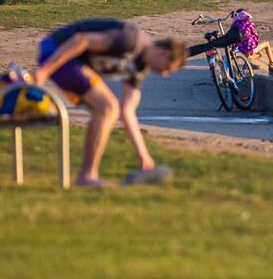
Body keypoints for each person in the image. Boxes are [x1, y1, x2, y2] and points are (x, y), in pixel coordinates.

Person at [28, 18, 189, 188]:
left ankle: (87, 175)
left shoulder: (140, 68)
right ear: (163, 54)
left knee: (106, 110)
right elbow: (81, 40)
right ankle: (87, 176)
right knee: (107, 108)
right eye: (167, 69)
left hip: (71, 60)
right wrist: (44, 72)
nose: (164, 74)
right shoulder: (131, 40)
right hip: (56, 49)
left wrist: (144, 157)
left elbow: (127, 112)